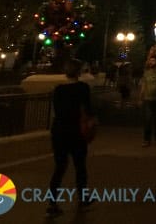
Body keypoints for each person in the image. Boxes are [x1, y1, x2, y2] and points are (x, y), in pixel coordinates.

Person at [47, 58, 93, 215]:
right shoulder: (83, 88)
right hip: (76, 132)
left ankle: (52, 204)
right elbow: (88, 109)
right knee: (80, 166)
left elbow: (57, 110)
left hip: (59, 131)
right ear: (79, 72)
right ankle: (83, 198)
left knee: (59, 168)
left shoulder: (58, 89)